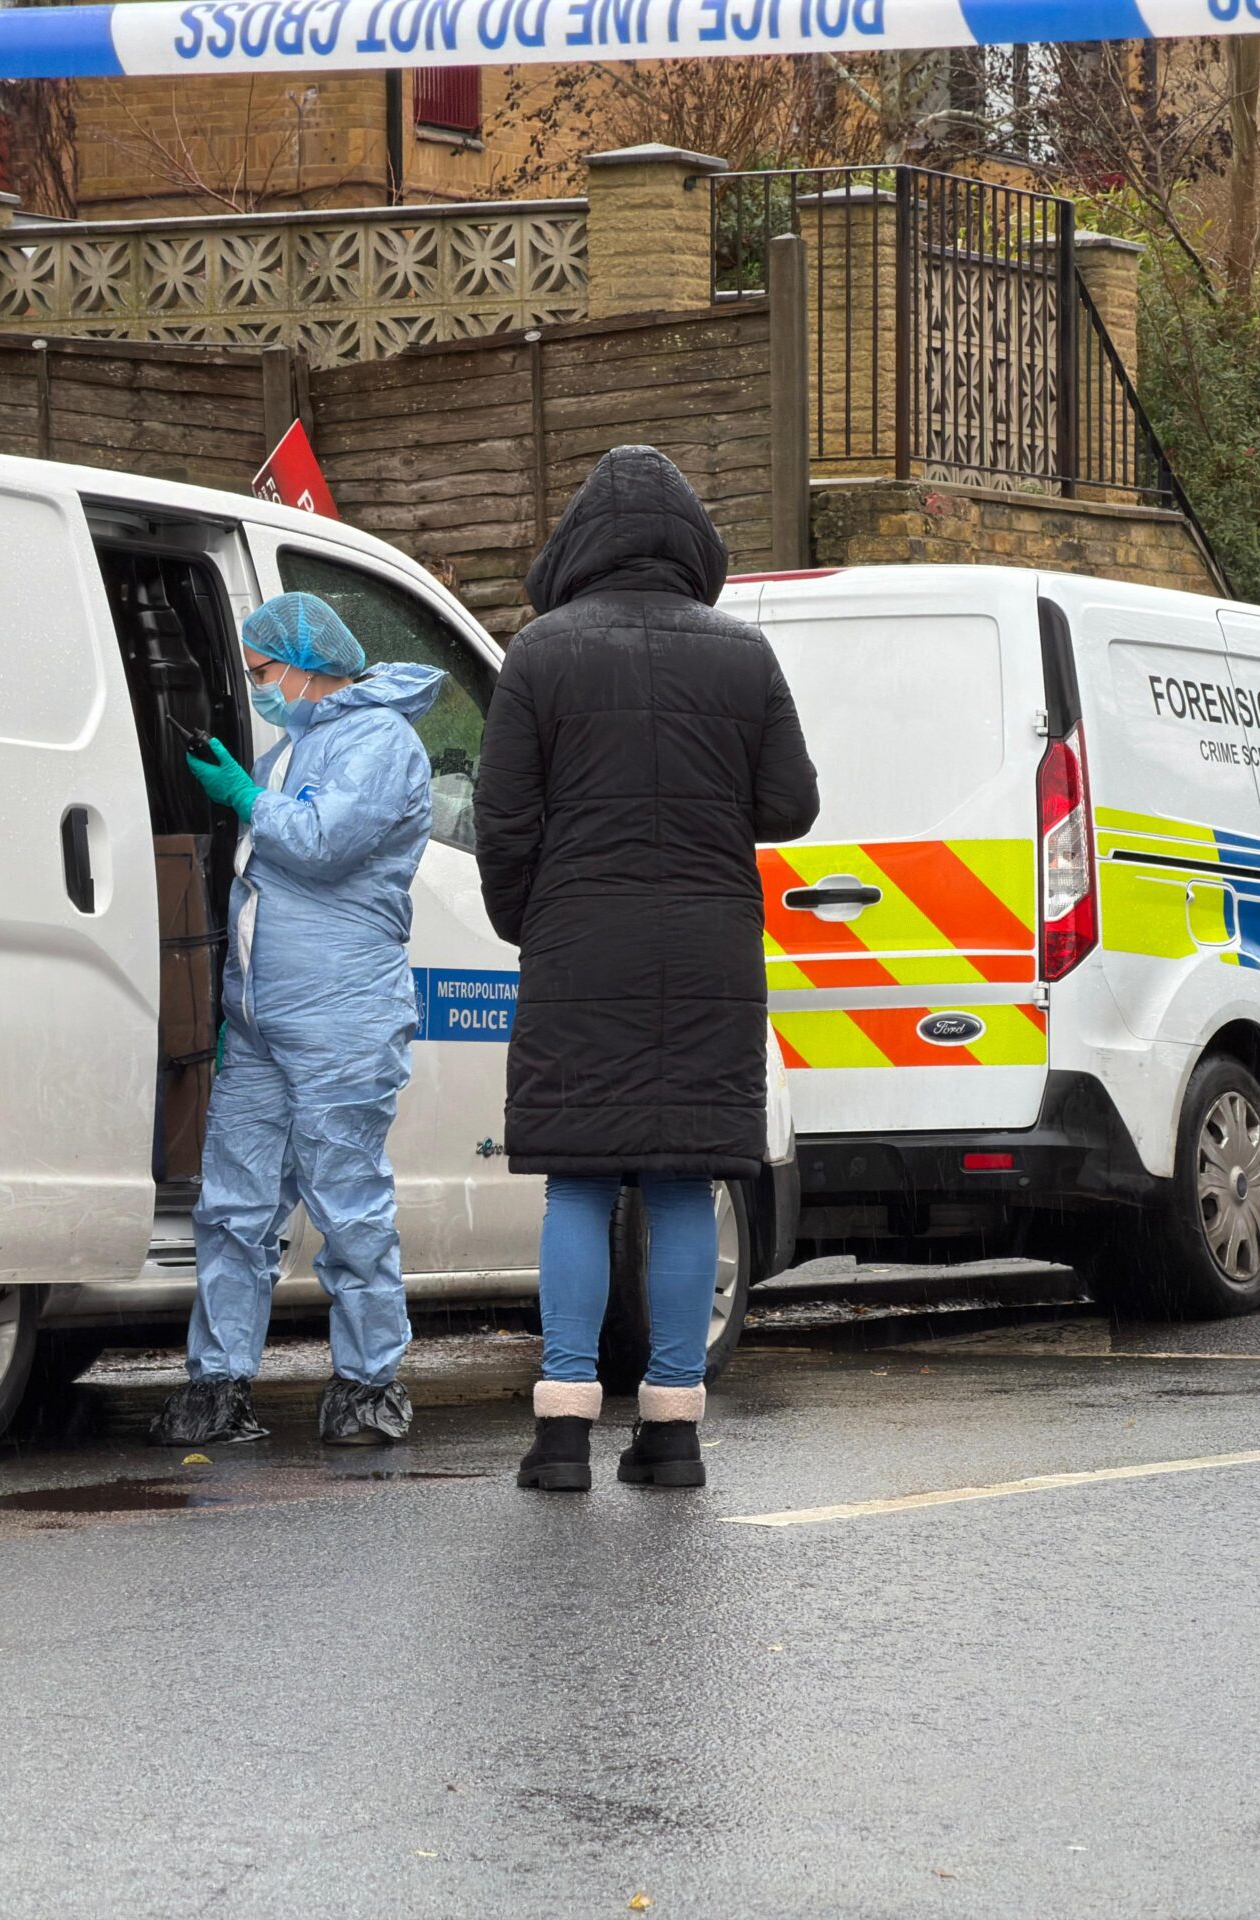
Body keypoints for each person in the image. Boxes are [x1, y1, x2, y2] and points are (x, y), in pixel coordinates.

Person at [474, 446, 821, 1493]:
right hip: (710, 952)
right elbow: (791, 804)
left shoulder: (539, 653)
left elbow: (503, 819)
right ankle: (672, 1431)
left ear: (579, 544)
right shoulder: (742, 655)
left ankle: (562, 1433)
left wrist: (526, 923)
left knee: (578, 1182)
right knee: (682, 1182)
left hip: (578, 946)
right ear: (691, 546)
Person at [148, 592, 446, 1450]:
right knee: (232, 1207)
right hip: (264, 1020)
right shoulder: (297, 747)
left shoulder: (380, 740)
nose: (258, 686)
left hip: (342, 1013)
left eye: (264, 670)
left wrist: (244, 795)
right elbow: (262, 889)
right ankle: (218, 1383)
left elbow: (321, 844)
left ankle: (367, 1384)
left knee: (348, 1204)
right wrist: (237, 1005)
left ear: (311, 663)